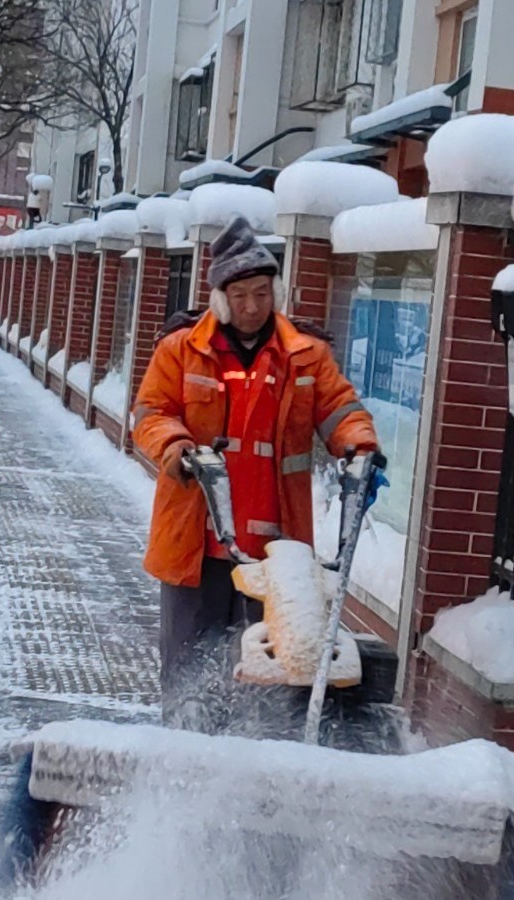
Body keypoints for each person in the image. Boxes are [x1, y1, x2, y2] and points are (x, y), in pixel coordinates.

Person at [131, 215, 378, 710]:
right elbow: (151, 412)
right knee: (187, 663)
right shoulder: (181, 350)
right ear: (220, 297)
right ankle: (183, 746)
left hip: (276, 548)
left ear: (276, 292)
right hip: (195, 540)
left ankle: (253, 753)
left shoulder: (305, 355)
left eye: (262, 293)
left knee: (270, 667)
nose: (252, 306)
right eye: (240, 294)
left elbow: (340, 410)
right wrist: (177, 448)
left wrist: (361, 450)